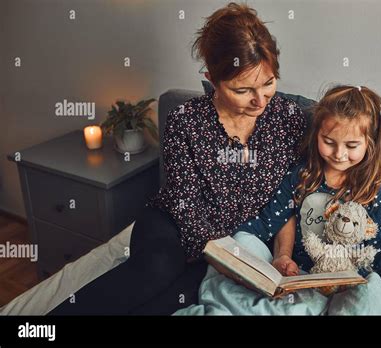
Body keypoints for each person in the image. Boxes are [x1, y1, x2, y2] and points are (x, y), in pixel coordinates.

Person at [48, 3, 305, 315]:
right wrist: (222, 254)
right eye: (243, 90)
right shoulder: (186, 119)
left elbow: (286, 197)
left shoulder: (288, 119)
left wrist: (279, 254)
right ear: (212, 79)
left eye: (268, 83)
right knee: (149, 276)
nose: (260, 101)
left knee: (167, 305)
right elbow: (184, 200)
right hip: (172, 226)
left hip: (232, 248)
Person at [235, 85, 381, 314]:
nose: (339, 154)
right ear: (317, 134)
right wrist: (273, 254)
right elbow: (271, 220)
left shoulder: (374, 191)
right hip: (302, 278)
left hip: (351, 282)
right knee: (243, 243)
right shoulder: (300, 178)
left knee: (369, 297)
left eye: (351, 146)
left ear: (370, 144)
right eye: (329, 141)